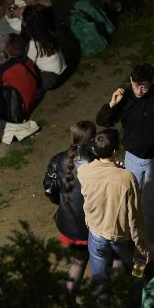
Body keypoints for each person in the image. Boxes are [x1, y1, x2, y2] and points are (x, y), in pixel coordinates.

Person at [96, 63, 154, 253]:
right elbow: (103, 121)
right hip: (132, 156)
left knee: (149, 205)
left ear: (151, 83)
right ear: (131, 80)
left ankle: (151, 243)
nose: (139, 90)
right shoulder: (125, 98)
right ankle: (129, 239)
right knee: (129, 200)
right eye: (136, 85)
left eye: (144, 86)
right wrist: (112, 104)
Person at [77, 128, 148, 308]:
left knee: (100, 282)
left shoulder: (83, 171)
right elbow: (135, 217)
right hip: (120, 238)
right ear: (116, 152)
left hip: (96, 235)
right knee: (137, 273)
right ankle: (134, 307)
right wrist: (141, 248)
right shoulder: (127, 179)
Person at [43, 120, 97, 293]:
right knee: (104, 262)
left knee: (78, 262)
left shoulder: (58, 159)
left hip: (68, 224)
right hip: (92, 226)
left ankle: (69, 301)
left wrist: (63, 203)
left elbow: (49, 188)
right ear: (92, 139)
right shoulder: (96, 163)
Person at [0, 33, 40, 117]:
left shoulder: (7, 68)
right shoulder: (26, 60)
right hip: (30, 103)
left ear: (7, 50)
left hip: (17, 113)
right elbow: (4, 68)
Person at [22, 4, 67, 92]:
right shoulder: (48, 32)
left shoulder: (34, 44)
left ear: (26, 23)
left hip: (51, 80)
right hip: (63, 72)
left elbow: (27, 65)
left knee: (24, 71)